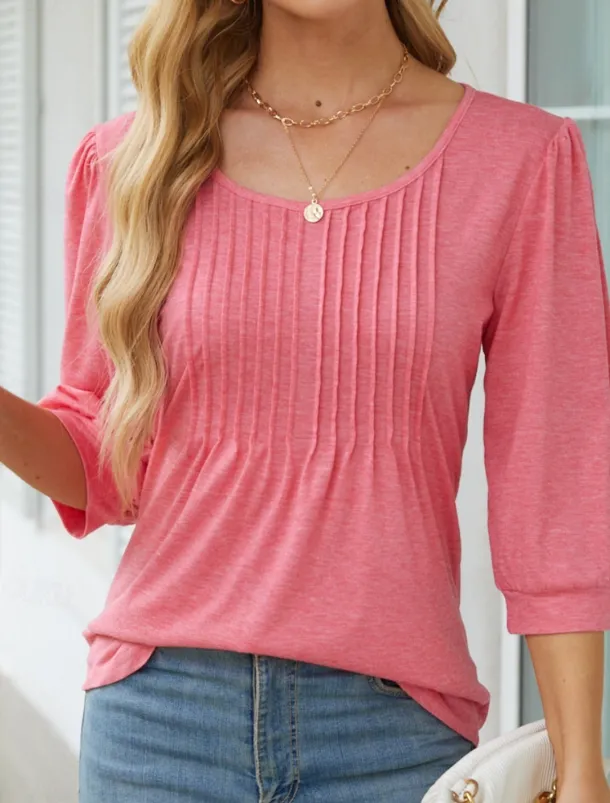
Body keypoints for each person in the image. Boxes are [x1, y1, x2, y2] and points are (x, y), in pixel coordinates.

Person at [2, 0, 610, 800]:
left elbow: (555, 490)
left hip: (393, 739)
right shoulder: (135, 159)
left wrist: (581, 761)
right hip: (157, 726)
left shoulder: (519, 161)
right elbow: (103, 464)